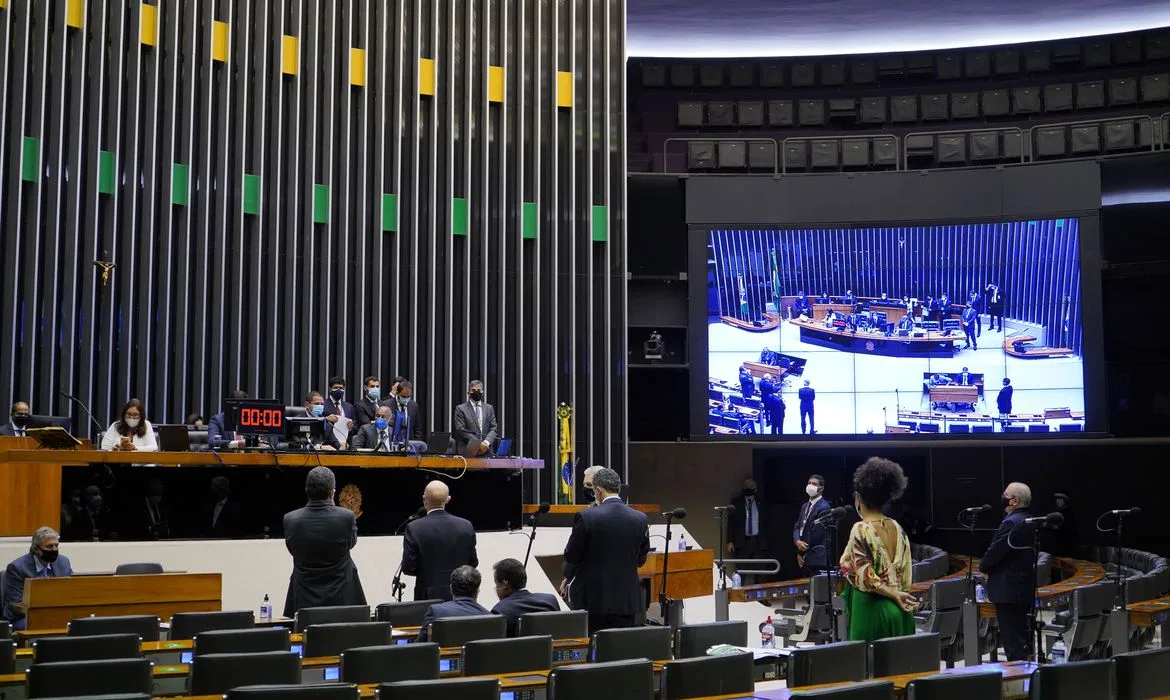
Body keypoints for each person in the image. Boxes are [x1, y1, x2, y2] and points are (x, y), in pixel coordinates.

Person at [561, 467, 650, 633]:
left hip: (593, 600)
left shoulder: (586, 517)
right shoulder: (640, 518)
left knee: (594, 650)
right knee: (621, 651)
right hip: (626, 601)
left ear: (598, 490)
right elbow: (641, 560)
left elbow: (572, 555)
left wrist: (567, 576)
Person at [839, 457, 917, 643]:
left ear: (858, 496)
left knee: (868, 666)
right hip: (900, 609)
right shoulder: (897, 528)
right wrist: (898, 593)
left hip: (870, 610)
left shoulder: (861, 528)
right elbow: (906, 572)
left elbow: (865, 576)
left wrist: (892, 594)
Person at [282, 466, 366, 617]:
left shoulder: (290, 520)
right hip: (342, 598)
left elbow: (292, 548)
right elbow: (351, 543)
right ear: (332, 492)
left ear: (307, 491)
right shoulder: (346, 517)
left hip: (304, 599)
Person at [982, 482, 1034, 661]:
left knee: (1013, 643)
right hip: (1022, 586)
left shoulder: (1012, 522)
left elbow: (996, 551)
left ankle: (1019, 682)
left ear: (1014, 501)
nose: (1002, 496)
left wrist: (983, 567)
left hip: (1008, 589)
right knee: (1023, 639)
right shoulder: (1028, 519)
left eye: (1006, 494)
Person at [401, 480, 478, 601]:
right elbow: (473, 562)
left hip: (428, 597)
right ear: (448, 499)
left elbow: (409, 567)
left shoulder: (414, 528)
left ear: (424, 499)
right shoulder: (466, 525)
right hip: (462, 596)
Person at [3, 527, 73, 630]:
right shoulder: (17, 568)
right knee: (46, 625)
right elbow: (15, 603)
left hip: (54, 615)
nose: (54, 549)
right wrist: (41, 612)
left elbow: (71, 589)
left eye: (56, 546)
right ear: (36, 549)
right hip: (22, 617)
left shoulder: (63, 562)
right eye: (49, 546)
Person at [417, 565, 491, 642]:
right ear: (477, 590)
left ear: (451, 588)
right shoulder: (490, 617)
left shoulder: (436, 611)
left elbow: (420, 647)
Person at [490, 558, 560, 636]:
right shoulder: (550, 600)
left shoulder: (500, 611)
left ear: (504, 584)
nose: (496, 589)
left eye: (496, 584)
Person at [727, 477, 768, 585]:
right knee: (741, 571)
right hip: (742, 541)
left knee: (761, 571)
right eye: (745, 486)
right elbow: (730, 523)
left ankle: (761, 599)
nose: (748, 488)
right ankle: (741, 597)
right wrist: (730, 541)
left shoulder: (761, 502)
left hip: (758, 541)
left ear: (755, 489)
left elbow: (766, 522)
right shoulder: (736, 502)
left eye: (750, 487)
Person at [793, 474, 831, 577]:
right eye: (809, 483)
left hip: (815, 556)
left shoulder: (824, 507)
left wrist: (801, 550)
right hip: (803, 555)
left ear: (821, 488)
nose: (810, 486)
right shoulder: (805, 506)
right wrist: (797, 541)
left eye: (814, 484)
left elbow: (816, 534)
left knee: (816, 590)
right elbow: (797, 526)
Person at [453, 380, 499, 456]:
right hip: (468, 450)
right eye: (473, 390)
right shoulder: (461, 408)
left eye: (479, 390)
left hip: (486, 451)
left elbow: (493, 428)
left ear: (482, 392)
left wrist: (486, 443)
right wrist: (478, 444)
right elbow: (460, 429)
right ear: (468, 393)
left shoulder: (489, 408)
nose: (476, 392)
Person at [383, 379, 424, 449]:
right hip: (392, 445)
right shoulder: (387, 404)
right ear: (397, 393)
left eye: (408, 396)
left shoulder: (413, 405)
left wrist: (417, 446)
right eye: (404, 397)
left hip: (410, 445)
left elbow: (417, 429)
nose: (406, 399)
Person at [323, 377, 355, 448]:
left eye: (341, 388)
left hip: (346, 445)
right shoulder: (323, 404)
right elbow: (317, 420)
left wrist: (352, 426)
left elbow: (355, 425)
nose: (338, 390)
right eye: (336, 387)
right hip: (328, 445)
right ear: (330, 389)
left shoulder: (349, 406)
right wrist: (326, 419)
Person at [1049, 489, 1080, 558]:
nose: (1058, 501)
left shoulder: (1068, 512)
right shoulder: (1059, 512)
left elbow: (1060, 527)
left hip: (1066, 546)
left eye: (1060, 499)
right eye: (1057, 499)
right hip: (1058, 546)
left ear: (1065, 500)